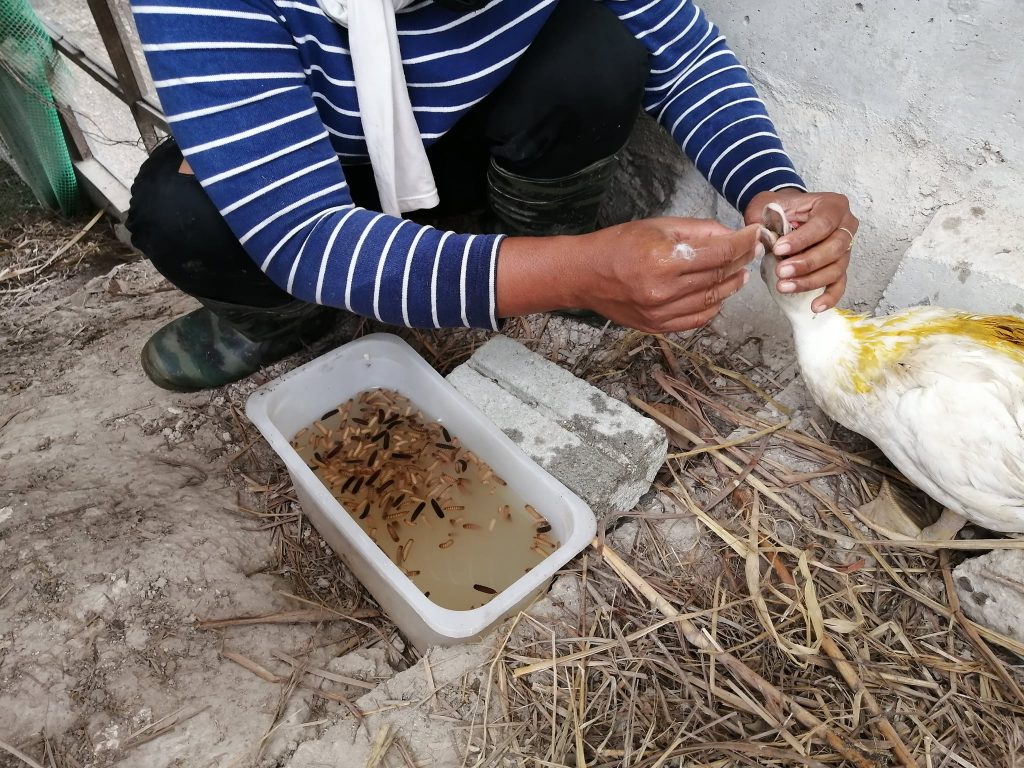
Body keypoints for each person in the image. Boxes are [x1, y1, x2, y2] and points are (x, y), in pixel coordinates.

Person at [126, 0, 858, 392]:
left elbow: (685, 53)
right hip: (329, 174)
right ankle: (286, 321)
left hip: (474, 139)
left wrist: (772, 186)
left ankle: (544, 239)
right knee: (182, 214)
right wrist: (581, 269)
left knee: (599, 49)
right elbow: (306, 233)